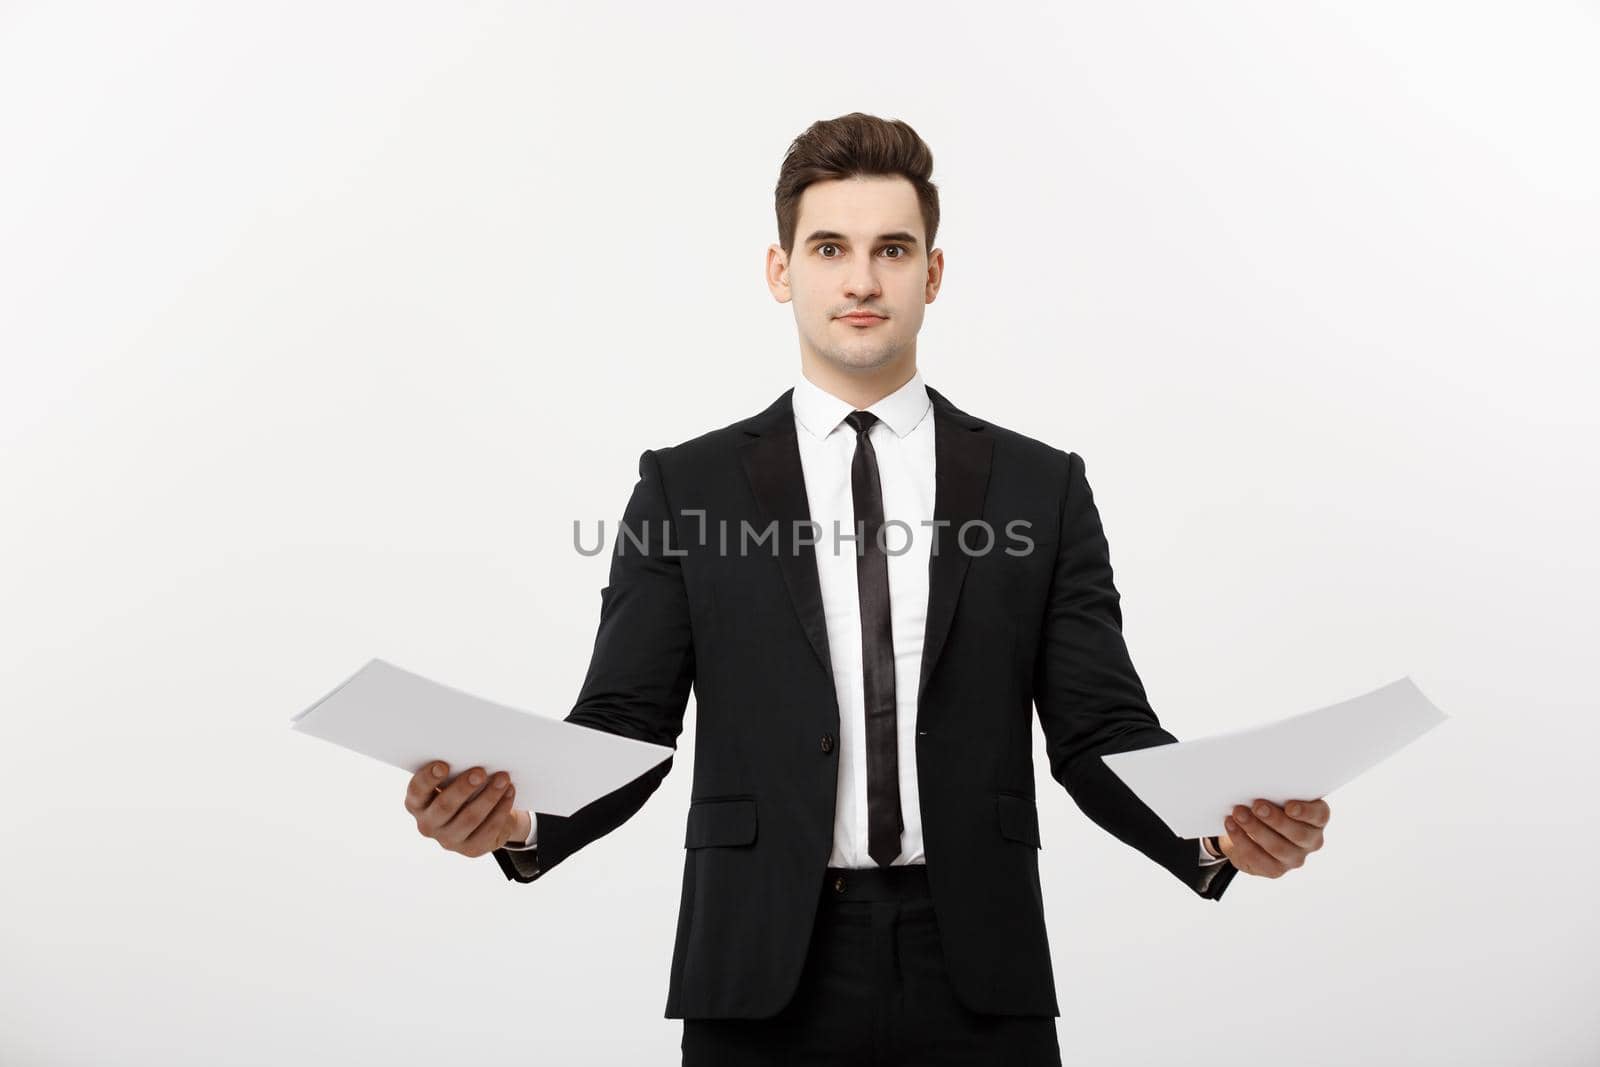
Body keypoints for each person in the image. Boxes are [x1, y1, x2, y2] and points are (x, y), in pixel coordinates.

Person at [402, 112, 1331, 1066]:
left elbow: (1099, 732)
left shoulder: (1038, 487)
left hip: (977, 965)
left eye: (892, 249)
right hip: (760, 968)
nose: (860, 279)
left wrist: (1214, 834)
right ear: (780, 270)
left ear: (931, 273)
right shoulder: (688, 487)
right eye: (830, 248)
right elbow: (626, 721)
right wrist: (517, 823)